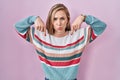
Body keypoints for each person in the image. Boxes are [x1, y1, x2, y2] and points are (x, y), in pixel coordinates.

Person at [14, 3, 107, 80]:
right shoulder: (41, 36)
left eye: (62, 18)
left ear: (67, 19)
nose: (59, 23)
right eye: (55, 19)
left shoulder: (78, 36)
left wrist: (83, 17)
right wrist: (34, 19)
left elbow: (101, 27)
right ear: (51, 21)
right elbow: (18, 27)